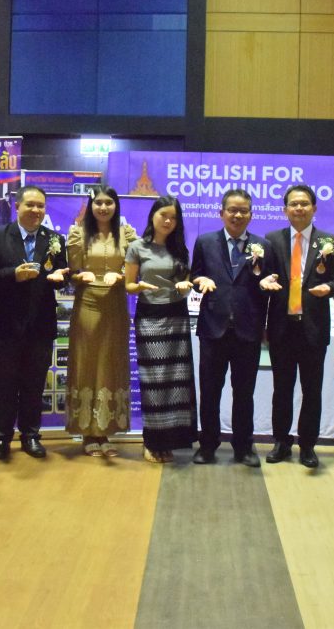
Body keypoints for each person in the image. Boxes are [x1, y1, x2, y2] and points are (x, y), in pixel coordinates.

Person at [190, 189, 278, 467]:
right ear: (222, 213)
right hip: (213, 329)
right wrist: (200, 281)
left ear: (251, 215)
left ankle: (243, 447)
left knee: (244, 393)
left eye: (243, 211)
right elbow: (195, 275)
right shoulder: (205, 242)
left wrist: (266, 283)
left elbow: (269, 281)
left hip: (247, 331)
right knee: (210, 391)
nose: (237, 215)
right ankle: (207, 445)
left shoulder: (263, 246)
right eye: (232, 210)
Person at [0, 186, 68, 460]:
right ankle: (1, 437)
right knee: (4, 386)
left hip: (40, 325)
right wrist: (13, 275)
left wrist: (61, 279)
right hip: (6, 325)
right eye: (30, 204)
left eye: (40, 206)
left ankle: (31, 435)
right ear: (16, 206)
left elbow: (62, 274)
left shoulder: (54, 239)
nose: (35, 210)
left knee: (34, 385)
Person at [263, 185, 334, 468]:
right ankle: (281, 442)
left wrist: (328, 288)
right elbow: (265, 279)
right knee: (281, 389)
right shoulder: (272, 240)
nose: (299, 208)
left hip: (313, 328)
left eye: (304, 204)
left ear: (314, 208)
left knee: (312, 390)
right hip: (281, 327)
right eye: (293, 204)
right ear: (285, 210)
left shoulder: (329, 241)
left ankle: (308, 446)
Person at [125, 196, 197, 463]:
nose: (168, 221)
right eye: (163, 215)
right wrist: (140, 287)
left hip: (177, 315)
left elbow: (185, 283)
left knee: (177, 380)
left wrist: (185, 286)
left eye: (173, 217)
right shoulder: (137, 247)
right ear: (153, 216)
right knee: (153, 381)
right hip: (149, 316)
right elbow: (128, 285)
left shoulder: (180, 249)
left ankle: (171, 442)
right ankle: (152, 442)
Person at [65, 187, 136, 457]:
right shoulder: (78, 233)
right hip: (87, 303)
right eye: (98, 203)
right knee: (86, 362)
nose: (103, 207)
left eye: (109, 203)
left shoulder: (127, 234)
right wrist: (79, 276)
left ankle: (105, 431)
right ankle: (87, 432)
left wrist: (121, 276)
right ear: (91, 205)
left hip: (116, 305)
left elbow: (133, 270)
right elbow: (72, 272)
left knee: (110, 362)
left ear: (116, 206)